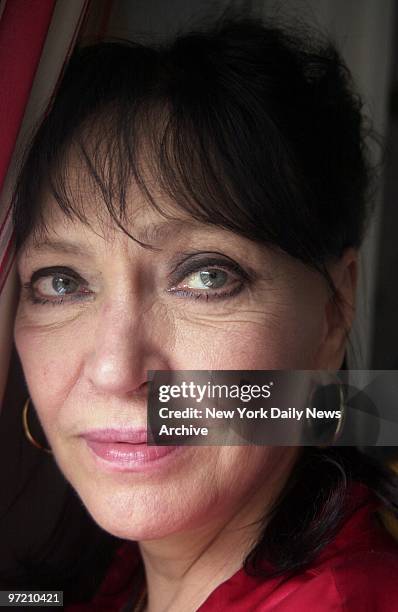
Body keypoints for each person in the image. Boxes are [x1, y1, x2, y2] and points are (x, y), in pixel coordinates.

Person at [9, 13, 398, 611]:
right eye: (62, 282)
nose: (115, 371)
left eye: (206, 276)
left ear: (334, 309)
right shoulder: (117, 576)